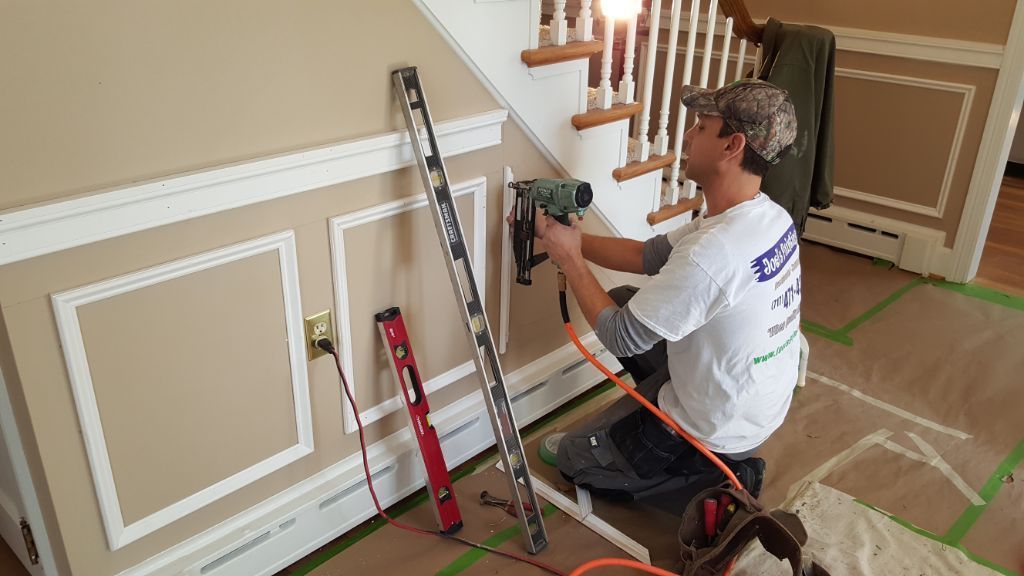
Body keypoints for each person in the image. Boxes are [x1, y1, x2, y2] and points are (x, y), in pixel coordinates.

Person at [539, 79, 802, 511]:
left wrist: (570, 261)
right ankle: (675, 425)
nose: (689, 136)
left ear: (732, 146)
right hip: (751, 402)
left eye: (702, 127)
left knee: (572, 458)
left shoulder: (714, 253)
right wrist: (569, 239)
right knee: (624, 296)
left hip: (718, 428)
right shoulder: (765, 216)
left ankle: (707, 476)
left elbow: (622, 337)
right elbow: (646, 255)